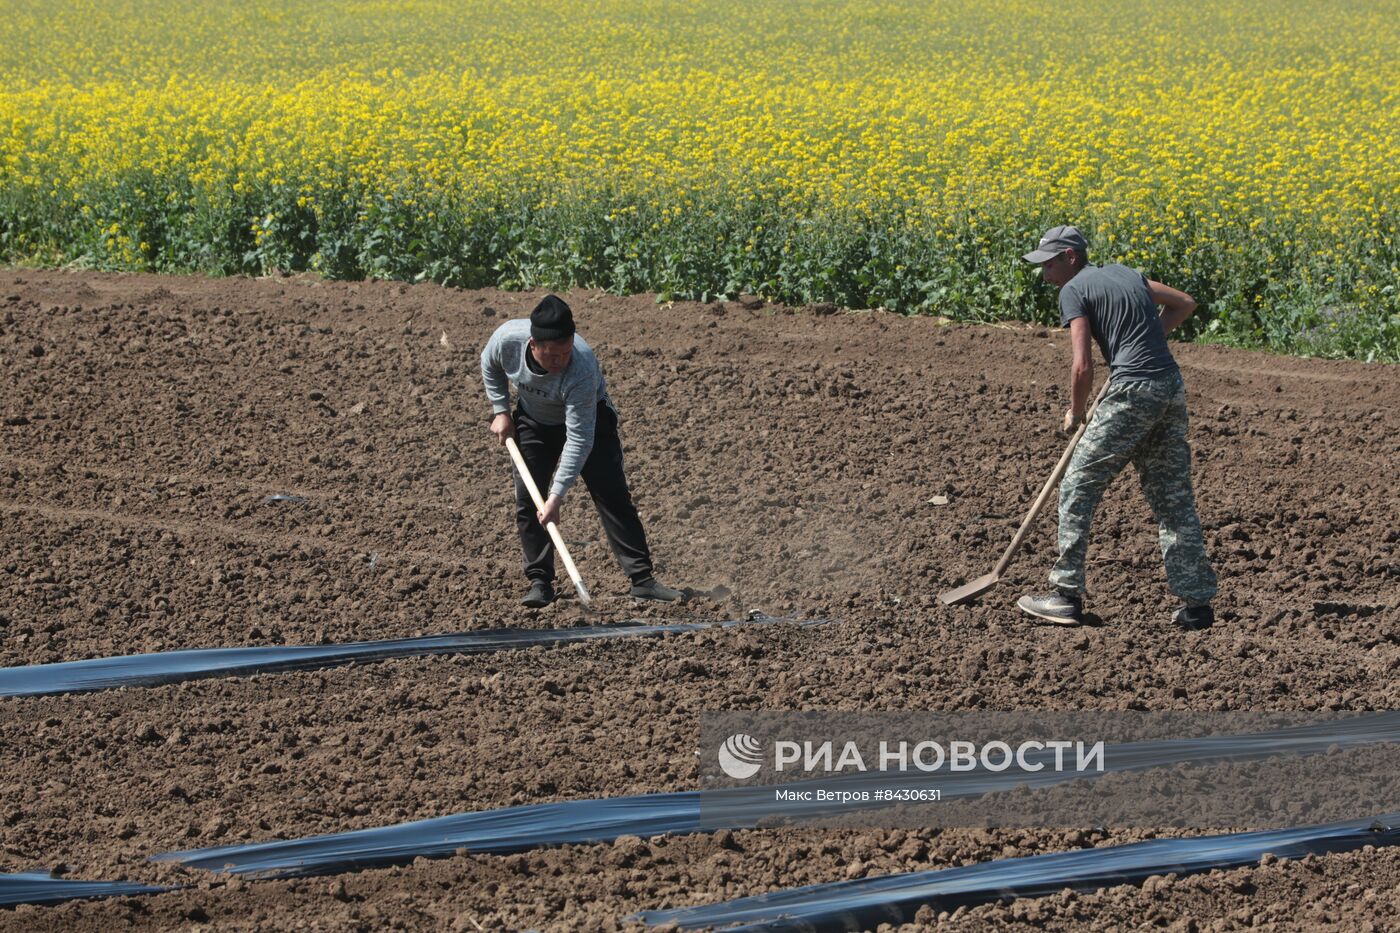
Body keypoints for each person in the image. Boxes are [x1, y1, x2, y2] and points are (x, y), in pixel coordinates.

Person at [1016, 225, 1217, 629]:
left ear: (1071, 257)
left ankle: (1065, 594)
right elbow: (1184, 303)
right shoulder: (1128, 274)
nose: (1046, 275)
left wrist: (1075, 412)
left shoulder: (1072, 290)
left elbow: (1082, 365)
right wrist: (1143, 340)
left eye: (1050, 264)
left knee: (1077, 483)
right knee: (1172, 496)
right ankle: (1197, 606)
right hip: (1169, 387)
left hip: (1130, 392)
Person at [481, 295, 683, 608]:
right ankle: (540, 582)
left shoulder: (582, 367)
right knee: (528, 498)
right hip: (534, 420)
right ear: (533, 344)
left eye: (565, 352)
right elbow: (489, 364)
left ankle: (642, 580)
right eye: (552, 356)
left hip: (589, 422)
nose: (561, 361)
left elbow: (579, 438)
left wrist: (557, 497)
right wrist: (501, 411)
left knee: (611, 494)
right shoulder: (507, 339)